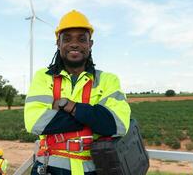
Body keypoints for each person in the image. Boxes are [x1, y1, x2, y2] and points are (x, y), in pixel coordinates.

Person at [24, 10, 131, 175]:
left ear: (90, 44)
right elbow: (36, 122)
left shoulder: (108, 80)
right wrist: (94, 117)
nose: (74, 44)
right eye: (67, 39)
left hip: (93, 169)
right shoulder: (43, 77)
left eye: (82, 39)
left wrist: (66, 105)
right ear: (58, 43)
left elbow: (117, 124)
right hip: (48, 167)